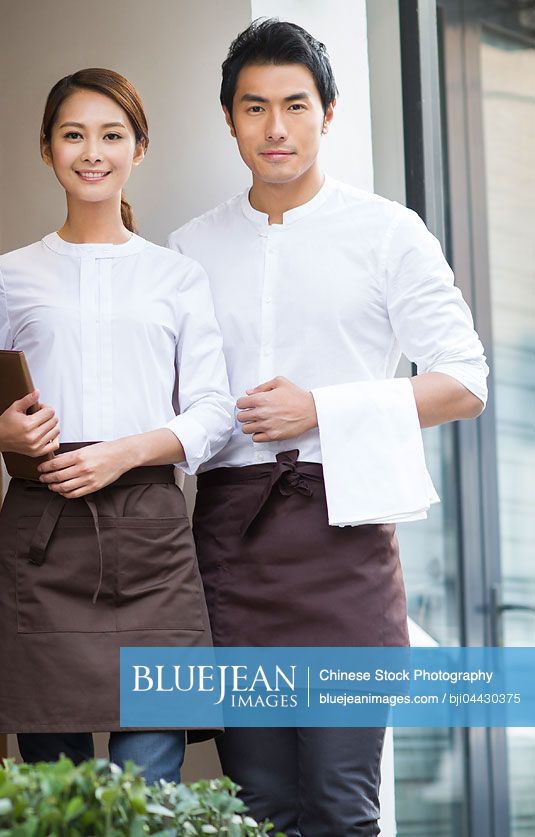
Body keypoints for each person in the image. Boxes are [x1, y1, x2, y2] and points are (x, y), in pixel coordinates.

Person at [168, 19, 488, 835]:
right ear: (229, 120)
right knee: (259, 806)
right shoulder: (188, 249)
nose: (275, 127)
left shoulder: (388, 232)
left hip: (343, 538)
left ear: (328, 113)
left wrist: (322, 408)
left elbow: (463, 381)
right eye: (254, 108)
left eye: (294, 105)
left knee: (343, 805)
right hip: (229, 541)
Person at [0, 68, 234, 784]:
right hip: (40, 531)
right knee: (53, 789)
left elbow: (212, 412)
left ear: (138, 149)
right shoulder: (6, 276)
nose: (92, 151)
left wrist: (120, 453)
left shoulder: (175, 276)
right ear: (47, 149)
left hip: (151, 533)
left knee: (146, 785)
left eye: (111, 135)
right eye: (73, 134)